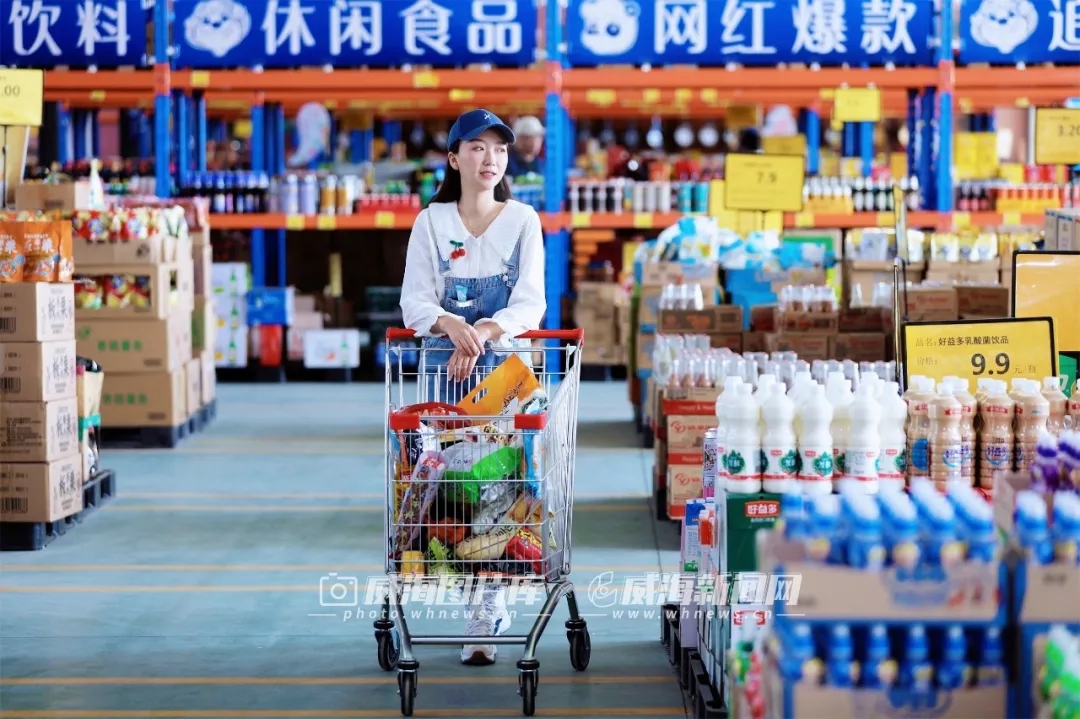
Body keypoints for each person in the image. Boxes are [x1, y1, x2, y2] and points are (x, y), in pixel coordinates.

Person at [399, 109, 546, 666]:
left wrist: (483, 329)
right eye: (478, 148)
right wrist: (450, 325)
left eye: (500, 150)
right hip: (444, 378)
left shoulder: (523, 221)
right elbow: (415, 300)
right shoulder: (431, 223)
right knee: (454, 492)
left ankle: (486, 605)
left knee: (503, 491)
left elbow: (531, 302)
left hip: (506, 379)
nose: (491, 159)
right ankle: (474, 595)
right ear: (454, 158)